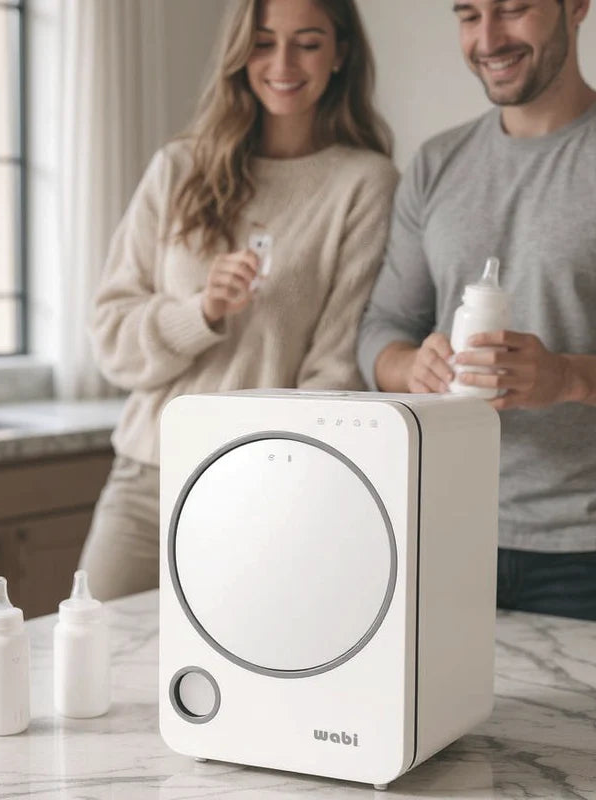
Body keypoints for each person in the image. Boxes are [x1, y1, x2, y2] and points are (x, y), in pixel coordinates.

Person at [81, 0, 398, 600]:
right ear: (238, 53)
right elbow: (110, 337)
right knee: (91, 661)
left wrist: (266, 481)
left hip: (266, 489)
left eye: (307, 42)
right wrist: (198, 313)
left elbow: (335, 369)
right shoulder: (177, 169)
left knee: (237, 685)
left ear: (341, 53)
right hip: (148, 478)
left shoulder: (364, 183)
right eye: (262, 42)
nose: (282, 62)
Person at [358, 0, 596, 627]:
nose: (488, 38)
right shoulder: (436, 165)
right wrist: (411, 368)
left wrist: (568, 376)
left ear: (577, 8)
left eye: (513, 9)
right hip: (438, 530)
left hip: (594, 551)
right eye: (468, 15)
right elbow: (381, 329)